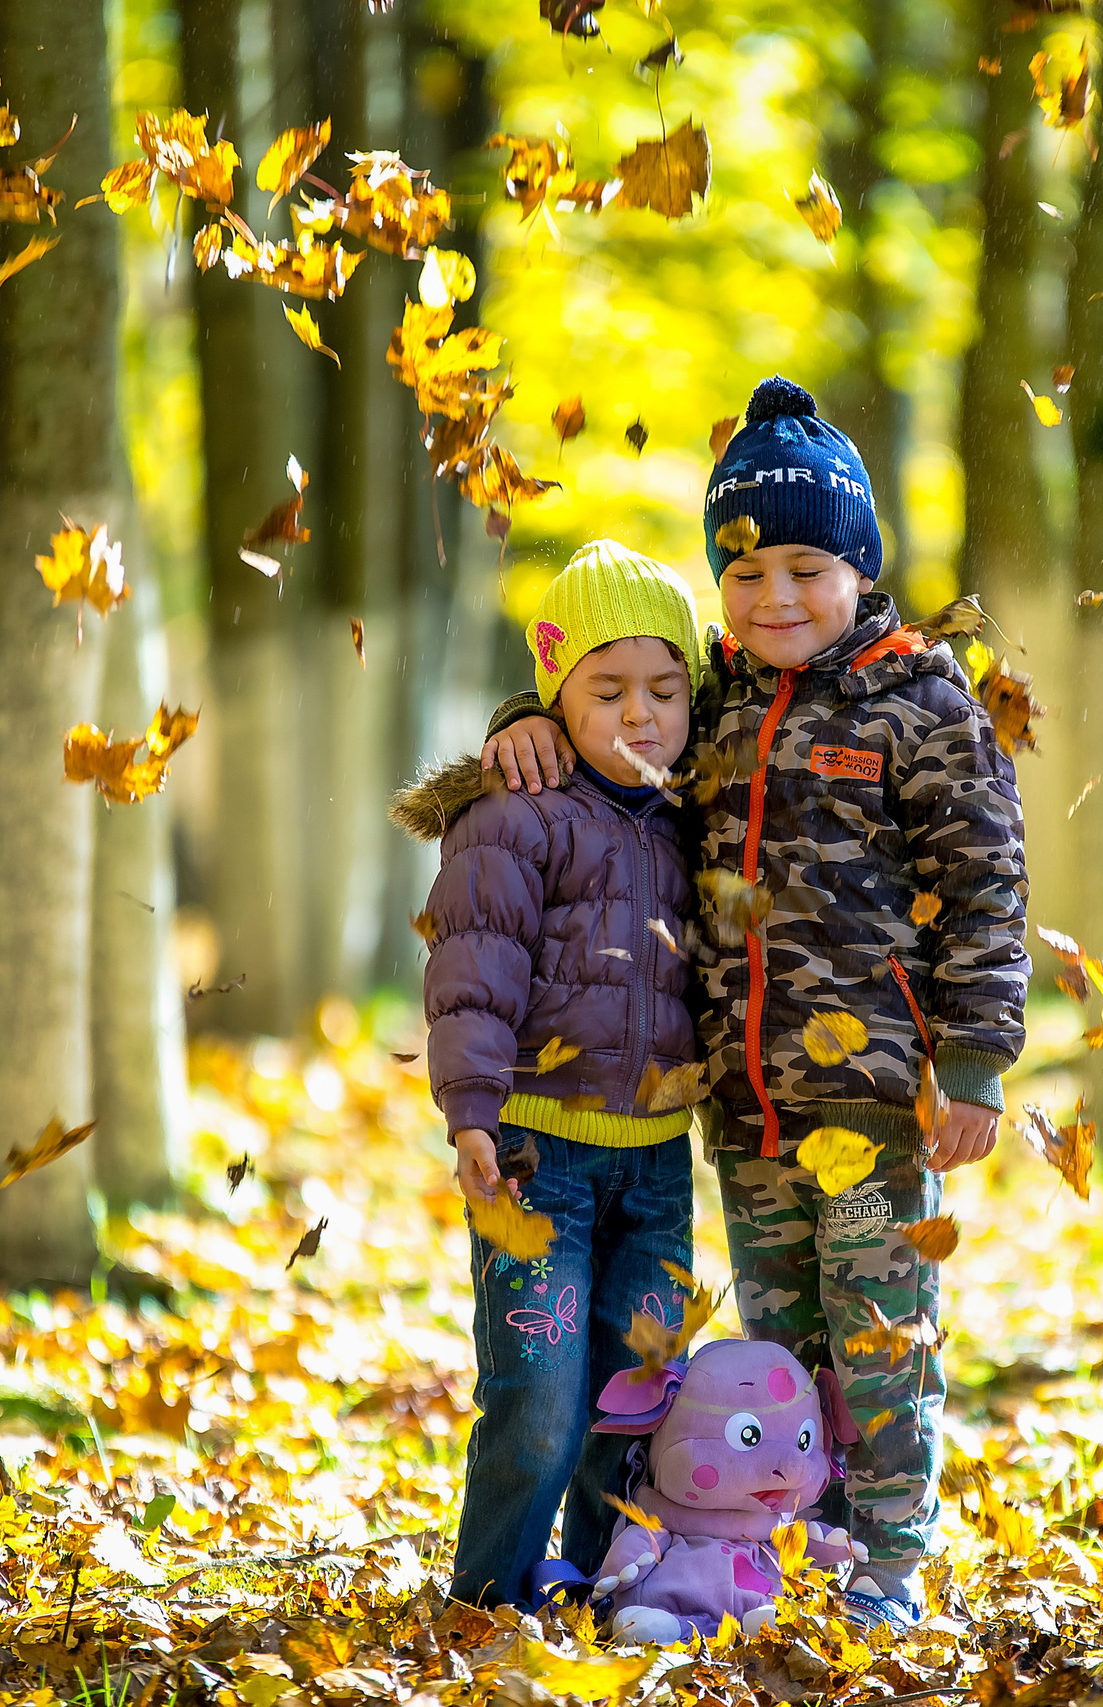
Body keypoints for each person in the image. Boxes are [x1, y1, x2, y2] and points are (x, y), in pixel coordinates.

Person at [479, 376, 1030, 1627]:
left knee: (881, 1347)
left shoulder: (920, 702)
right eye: (745, 573)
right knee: (783, 1360)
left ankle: (889, 1565)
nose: (774, 598)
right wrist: (525, 717)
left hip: (880, 1103)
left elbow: (987, 890)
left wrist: (979, 1066)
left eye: (804, 570)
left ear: (859, 568)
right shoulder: (714, 697)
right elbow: (614, 708)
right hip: (745, 1105)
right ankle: (797, 1542)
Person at [394, 538, 709, 1610]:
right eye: (606, 689)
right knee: (537, 1395)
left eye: (665, 690)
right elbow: (473, 966)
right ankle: (488, 1600)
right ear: (553, 698)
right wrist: (472, 1110)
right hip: (538, 1159)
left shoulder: (695, 815)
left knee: (635, 1394)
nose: (640, 714)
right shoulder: (514, 813)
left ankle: (592, 1582)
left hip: (657, 1167)